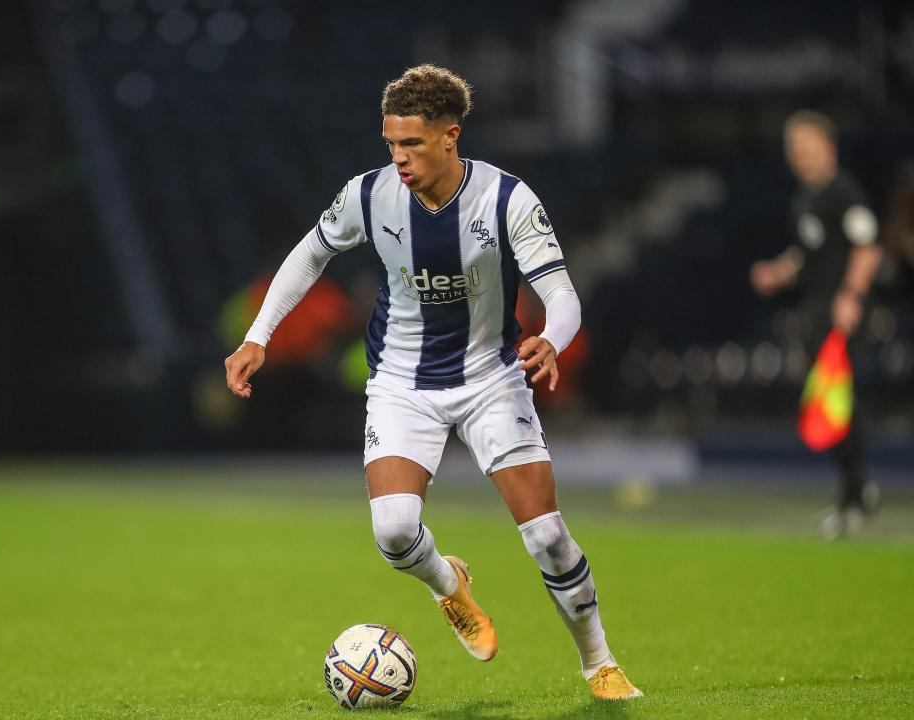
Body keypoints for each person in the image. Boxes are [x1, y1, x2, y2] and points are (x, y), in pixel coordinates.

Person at [225, 65, 641, 700]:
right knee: (393, 531)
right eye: (391, 143)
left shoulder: (507, 199)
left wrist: (551, 340)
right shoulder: (370, 195)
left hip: (490, 378)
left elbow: (561, 296)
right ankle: (449, 584)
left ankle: (599, 663)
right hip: (400, 380)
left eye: (412, 143)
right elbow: (309, 253)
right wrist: (259, 335)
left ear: (451, 136)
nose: (399, 158)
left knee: (548, 536)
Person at [749, 110, 882, 538]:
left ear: (829, 148)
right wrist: (777, 272)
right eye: (795, 149)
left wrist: (852, 296)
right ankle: (856, 492)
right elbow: (806, 255)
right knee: (826, 403)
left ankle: (855, 495)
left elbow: (867, 248)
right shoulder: (805, 198)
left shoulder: (844, 192)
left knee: (838, 403)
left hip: (839, 311)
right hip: (814, 309)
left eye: (808, 147)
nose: (800, 156)